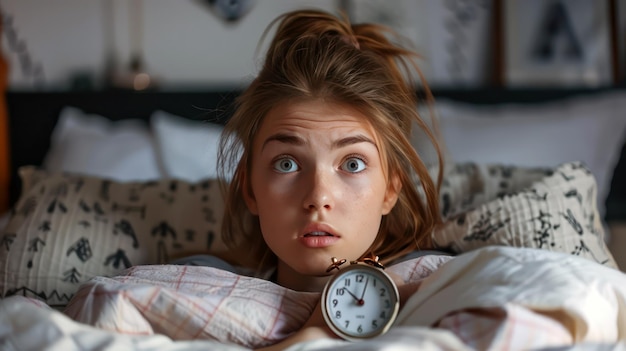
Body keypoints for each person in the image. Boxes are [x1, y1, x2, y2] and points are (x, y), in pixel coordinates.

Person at [215, 8, 445, 349]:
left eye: (352, 164)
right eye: (287, 164)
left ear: (391, 188)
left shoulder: (443, 285)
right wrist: (317, 332)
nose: (318, 197)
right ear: (249, 187)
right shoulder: (194, 285)